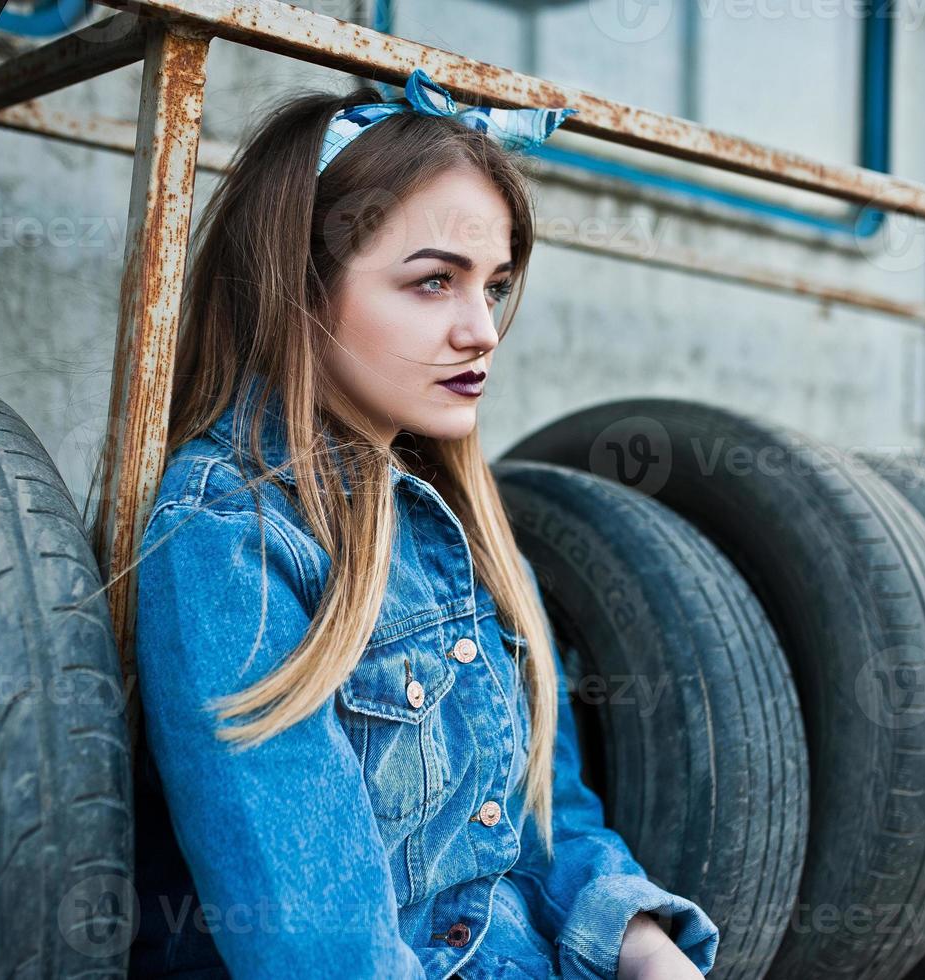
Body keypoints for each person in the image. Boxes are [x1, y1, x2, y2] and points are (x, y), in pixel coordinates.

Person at [125, 69, 720, 979]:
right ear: (299, 288)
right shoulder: (227, 535)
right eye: (434, 281)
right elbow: (317, 947)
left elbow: (537, 813)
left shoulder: (460, 527)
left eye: (494, 286)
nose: (481, 329)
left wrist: (641, 946)